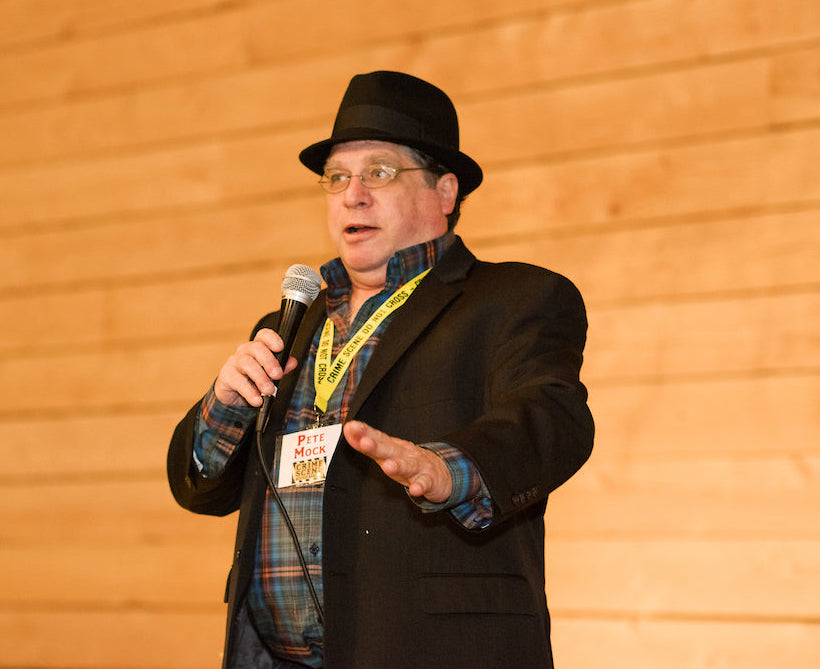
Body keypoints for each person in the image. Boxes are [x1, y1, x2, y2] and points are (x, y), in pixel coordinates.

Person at [167, 70, 594, 669]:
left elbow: (554, 417)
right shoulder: (289, 322)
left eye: (379, 172)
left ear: (444, 192)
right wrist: (223, 408)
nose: (352, 194)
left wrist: (451, 470)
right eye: (337, 177)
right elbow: (199, 487)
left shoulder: (513, 299)